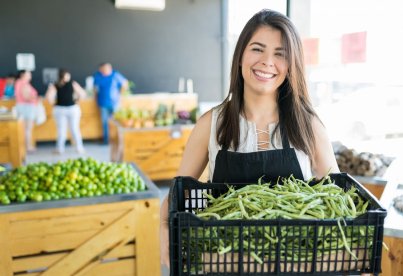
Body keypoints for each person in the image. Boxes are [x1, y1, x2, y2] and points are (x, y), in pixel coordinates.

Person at [160, 9, 340, 267]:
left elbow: (339, 200)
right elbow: (177, 194)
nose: (267, 62)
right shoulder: (211, 124)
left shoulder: (308, 125)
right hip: (222, 263)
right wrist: (163, 228)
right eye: (257, 49)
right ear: (240, 55)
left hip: (294, 266)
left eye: (280, 54)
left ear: (291, 66)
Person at [45, 69, 86, 154]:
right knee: (74, 129)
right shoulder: (73, 83)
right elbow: (83, 94)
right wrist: (77, 100)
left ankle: (60, 149)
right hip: (72, 108)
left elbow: (49, 98)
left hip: (60, 109)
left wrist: (54, 104)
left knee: (61, 130)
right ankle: (79, 148)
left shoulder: (55, 85)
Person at [93, 62, 128, 144]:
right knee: (105, 122)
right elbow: (95, 89)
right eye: (101, 69)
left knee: (117, 122)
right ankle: (106, 140)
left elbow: (125, 83)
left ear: (109, 68)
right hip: (102, 103)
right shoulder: (98, 76)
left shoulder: (115, 75)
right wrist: (95, 99)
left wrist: (120, 94)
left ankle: (118, 140)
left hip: (115, 103)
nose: (102, 70)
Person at [14, 70, 40, 152]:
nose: (30, 76)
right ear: (22, 75)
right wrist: (36, 98)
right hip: (27, 107)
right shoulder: (23, 83)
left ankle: (26, 147)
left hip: (23, 107)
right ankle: (28, 147)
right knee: (27, 128)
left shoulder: (19, 82)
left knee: (25, 128)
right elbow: (26, 97)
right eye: (28, 74)